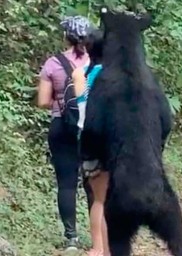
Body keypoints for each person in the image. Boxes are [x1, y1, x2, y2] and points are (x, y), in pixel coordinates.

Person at [37, 15, 91, 251]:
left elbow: (42, 101)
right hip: (92, 128)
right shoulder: (98, 62)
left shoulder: (52, 63)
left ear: (65, 37)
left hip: (62, 126)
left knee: (67, 183)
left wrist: (61, 103)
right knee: (95, 183)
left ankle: (71, 238)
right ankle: (102, 237)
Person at [72, 28, 109, 256]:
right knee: (109, 199)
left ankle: (98, 247)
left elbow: (81, 104)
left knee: (98, 198)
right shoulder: (110, 75)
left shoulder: (79, 73)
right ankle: (104, 248)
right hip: (108, 137)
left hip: (85, 136)